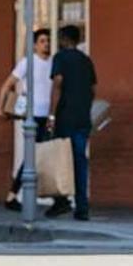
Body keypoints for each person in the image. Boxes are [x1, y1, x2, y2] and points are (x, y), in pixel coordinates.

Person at [47, 23, 98, 220]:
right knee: (80, 161)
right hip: (82, 118)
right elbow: (93, 90)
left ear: (64, 39)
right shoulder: (86, 61)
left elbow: (58, 85)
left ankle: (61, 201)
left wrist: (52, 114)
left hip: (65, 117)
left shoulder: (60, 58)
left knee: (60, 160)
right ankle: (82, 207)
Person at [0, 29, 53, 211]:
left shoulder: (53, 63)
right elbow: (6, 84)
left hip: (48, 116)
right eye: (43, 41)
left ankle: (13, 196)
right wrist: (0, 108)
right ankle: (13, 196)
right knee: (33, 157)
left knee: (39, 157)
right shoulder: (28, 62)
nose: (46, 44)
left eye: (48, 41)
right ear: (35, 45)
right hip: (32, 116)